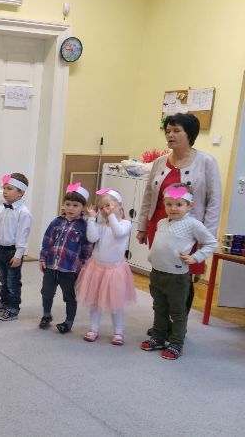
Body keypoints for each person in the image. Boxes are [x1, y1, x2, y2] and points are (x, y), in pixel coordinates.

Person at [136, 113, 222, 325]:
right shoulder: (159, 163)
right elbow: (148, 196)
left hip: (190, 231)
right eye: (168, 131)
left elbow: (214, 201)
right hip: (160, 226)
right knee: (161, 275)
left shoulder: (206, 162)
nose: (170, 135)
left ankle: (177, 327)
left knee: (183, 278)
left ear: (189, 134)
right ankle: (162, 324)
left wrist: (206, 236)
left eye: (176, 131)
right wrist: (142, 226)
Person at [140, 183, 217, 360]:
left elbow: (211, 243)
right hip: (157, 273)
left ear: (189, 205)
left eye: (179, 204)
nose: (173, 208)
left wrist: (195, 257)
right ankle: (159, 337)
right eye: (169, 204)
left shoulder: (192, 224)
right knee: (159, 307)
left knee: (177, 312)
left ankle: (176, 343)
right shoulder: (162, 222)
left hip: (177, 277)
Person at [75, 189, 136, 345]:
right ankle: (94, 329)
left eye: (108, 205)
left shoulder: (126, 224)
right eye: (101, 208)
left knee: (116, 304)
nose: (104, 210)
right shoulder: (101, 225)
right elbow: (92, 238)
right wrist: (91, 219)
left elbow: (118, 233)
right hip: (96, 269)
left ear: (119, 205)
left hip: (115, 271)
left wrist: (111, 216)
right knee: (95, 302)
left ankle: (118, 332)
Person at [38, 182, 94, 334]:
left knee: (69, 296)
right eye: (68, 204)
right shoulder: (56, 222)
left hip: (69, 269)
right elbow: (47, 240)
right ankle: (46, 315)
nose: (70, 208)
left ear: (83, 207)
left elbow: (86, 248)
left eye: (75, 205)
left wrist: (84, 267)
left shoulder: (84, 226)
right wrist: (43, 258)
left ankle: (68, 322)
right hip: (51, 266)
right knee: (46, 292)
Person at [0, 173, 32, 321]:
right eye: (4, 188)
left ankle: (13, 308)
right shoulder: (2, 208)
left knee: (13, 282)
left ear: (21, 192)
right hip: (0, 250)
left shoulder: (23, 213)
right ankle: (4, 302)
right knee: (3, 280)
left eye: (9, 188)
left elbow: (23, 236)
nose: (5, 191)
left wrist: (18, 255)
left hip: (13, 252)